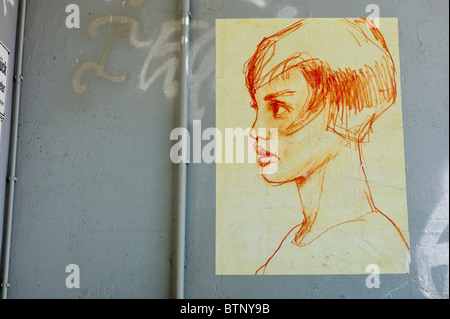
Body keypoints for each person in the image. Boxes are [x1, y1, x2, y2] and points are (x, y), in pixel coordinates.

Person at [244, 18, 410, 275]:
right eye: (258, 109)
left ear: (343, 111)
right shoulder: (300, 239)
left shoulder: (372, 244)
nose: (255, 132)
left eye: (279, 108)